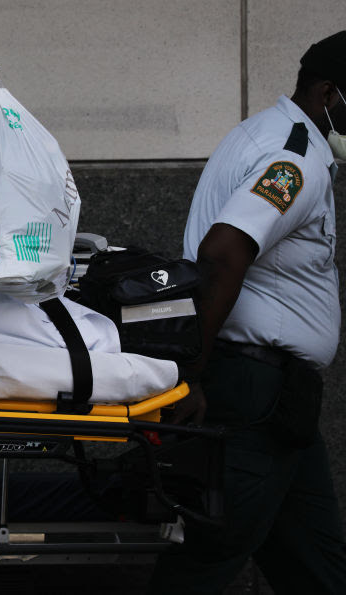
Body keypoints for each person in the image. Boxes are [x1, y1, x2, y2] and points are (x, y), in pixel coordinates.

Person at [151, 31, 346, 594]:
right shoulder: (294, 158)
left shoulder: (268, 136)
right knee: (211, 556)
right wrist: (190, 372)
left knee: (317, 560)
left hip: (279, 400)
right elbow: (222, 252)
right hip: (252, 388)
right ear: (329, 93)